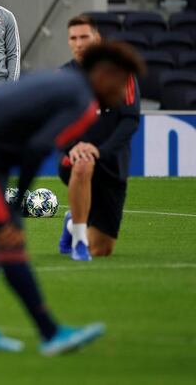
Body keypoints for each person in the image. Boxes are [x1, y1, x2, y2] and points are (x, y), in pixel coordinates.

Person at [0, 41, 145, 355]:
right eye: (121, 79)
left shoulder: (60, 82)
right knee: (9, 237)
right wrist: (15, 207)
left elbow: (8, 134)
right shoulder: (81, 99)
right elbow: (37, 148)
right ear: (103, 73)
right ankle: (50, 333)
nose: (125, 88)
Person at [57, 15, 141, 261]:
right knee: (83, 163)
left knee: (102, 250)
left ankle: (73, 224)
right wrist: (73, 148)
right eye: (73, 38)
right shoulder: (62, 77)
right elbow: (54, 124)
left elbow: (130, 120)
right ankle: (79, 243)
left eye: (85, 36)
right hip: (73, 161)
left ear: (98, 38)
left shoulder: (120, 74)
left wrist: (99, 150)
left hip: (112, 163)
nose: (79, 43)